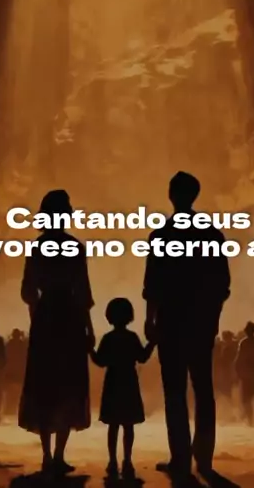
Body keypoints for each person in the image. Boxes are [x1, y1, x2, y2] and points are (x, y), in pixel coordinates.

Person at [143, 171, 231, 480]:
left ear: (171, 195)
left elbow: (152, 285)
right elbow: (222, 285)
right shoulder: (212, 235)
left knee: (174, 392)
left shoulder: (161, 236)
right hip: (201, 323)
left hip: (170, 323)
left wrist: (150, 319)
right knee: (203, 389)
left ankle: (180, 457)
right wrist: (213, 318)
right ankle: (203, 457)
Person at [19, 189, 95, 475]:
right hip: (70, 320)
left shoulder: (37, 248)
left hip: (46, 319)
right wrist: (88, 327)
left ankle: (47, 455)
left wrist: (38, 316)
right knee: (68, 385)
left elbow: (28, 291)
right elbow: (83, 292)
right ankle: (60, 455)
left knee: (45, 386)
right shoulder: (74, 247)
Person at [91, 297, 154, 478]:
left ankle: (112, 461)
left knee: (113, 425)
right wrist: (153, 342)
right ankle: (127, 460)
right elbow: (143, 357)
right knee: (128, 424)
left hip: (113, 382)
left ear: (109, 316)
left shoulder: (108, 338)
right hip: (129, 382)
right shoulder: (132, 337)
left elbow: (100, 361)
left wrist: (89, 350)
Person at [235, 322, 254, 426]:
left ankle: (252, 419)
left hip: (249, 374)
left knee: (248, 398)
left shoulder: (244, 343)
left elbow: (239, 359)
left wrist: (238, 371)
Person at [5, 329, 27, 416]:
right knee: (16, 391)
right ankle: (12, 409)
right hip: (17, 370)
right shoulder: (21, 344)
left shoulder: (10, 344)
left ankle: (11, 409)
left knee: (12, 391)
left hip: (13, 370)